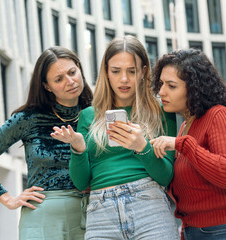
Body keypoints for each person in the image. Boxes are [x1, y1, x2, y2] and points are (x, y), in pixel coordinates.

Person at [51, 36, 180, 239]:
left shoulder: (162, 112)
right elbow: (81, 181)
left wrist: (142, 147)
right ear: (106, 72)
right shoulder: (88, 116)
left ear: (143, 72)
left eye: (132, 71)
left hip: (150, 206)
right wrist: (78, 148)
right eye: (116, 71)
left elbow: (166, 176)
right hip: (101, 213)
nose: (124, 80)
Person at [0, 47, 93, 240]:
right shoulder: (28, 118)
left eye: (72, 72)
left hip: (92, 214)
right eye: (58, 79)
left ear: (80, 69)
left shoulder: (97, 115)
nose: (70, 81)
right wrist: (8, 199)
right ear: (47, 86)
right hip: (41, 216)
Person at [150, 49, 226, 240]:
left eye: (171, 86)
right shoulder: (184, 127)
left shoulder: (219, 116)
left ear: (195, 89)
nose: (162, 92)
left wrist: (183, 144)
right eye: (161, 83)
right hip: (201, 232)